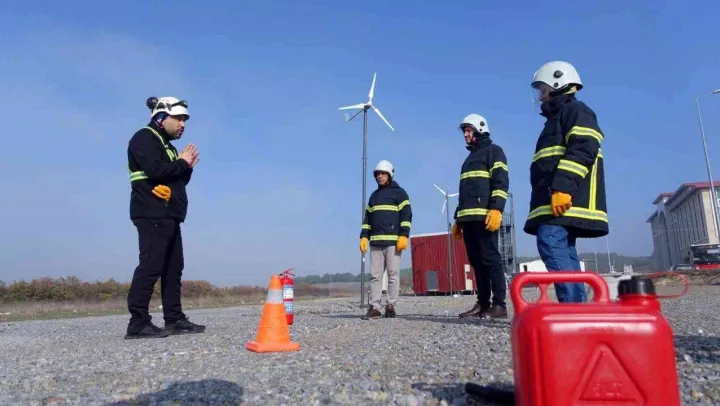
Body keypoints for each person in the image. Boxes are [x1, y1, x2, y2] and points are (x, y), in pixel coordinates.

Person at [524, 61, 609, 303]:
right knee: (565, 250)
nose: (541, 96)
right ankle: (579, 309)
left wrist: (562, 187)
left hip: (565, 198)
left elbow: (583, 148)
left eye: (543, 89)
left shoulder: (576, 111)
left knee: (550, 240)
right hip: (556, 200)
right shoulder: (557, 118)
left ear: (557, 83)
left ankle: (571, 307)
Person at [124, 96, 205, 339]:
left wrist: (186, 167)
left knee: (173, 268)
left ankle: (174, 319)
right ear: (161, 116)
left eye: (184, 120)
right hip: (152, 211)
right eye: (178, 118)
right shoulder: (144, 137)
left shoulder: (166, 146)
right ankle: (138, 323)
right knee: (151, 265)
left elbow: (175, 179)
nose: (183, 124)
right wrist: (182, 162)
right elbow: (156, 171)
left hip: (169, 214)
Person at [452, 114, 510, 319]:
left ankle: (500, 305)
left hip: (485, 217)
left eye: (468, 130)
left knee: (490, 259)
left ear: (480, 129)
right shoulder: (468, 160)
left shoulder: (494, 152)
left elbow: (501, 183)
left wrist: (497, 209)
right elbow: (465, 193)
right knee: (476, 262)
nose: (465, 134)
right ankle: (483, 303)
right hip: (468, 219)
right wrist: (458, 219)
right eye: (464, 131)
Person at [359, 160, 412, 319]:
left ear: (389, 175)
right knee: (375, 276)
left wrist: (404, 235)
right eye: (377, 174)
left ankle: (391, 306)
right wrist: (364, 236)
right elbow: (367, 219)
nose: (379, 176)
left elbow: (406, 215)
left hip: (393, 243)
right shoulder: (374, 197)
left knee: (393, 275)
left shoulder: (400, 193)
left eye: (382, 173)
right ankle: (375, 307)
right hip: (376, 243)